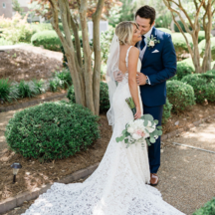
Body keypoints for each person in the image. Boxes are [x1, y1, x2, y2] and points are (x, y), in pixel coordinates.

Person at [22, 22, 183, 215]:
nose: (139, 31)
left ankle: (122, 177)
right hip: (128, 97)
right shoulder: (131, 50)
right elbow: (132, 80)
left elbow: (116, 74)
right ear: (127, 34)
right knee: (128, 139)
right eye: (135, 30)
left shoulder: (121, 48)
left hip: (119, 97)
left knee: (122, 138)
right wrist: (138, 106)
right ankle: (126, 180)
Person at [116, 6, 177, 186]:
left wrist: (148, 79)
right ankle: (133, 169)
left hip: (152, 95)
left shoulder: (164, 39)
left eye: (143, 26)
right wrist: (117, 74)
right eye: (138, 24)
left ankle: (152, 171)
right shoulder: (128, 37)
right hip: (128, 95)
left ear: (153, 23)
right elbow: (120, 64)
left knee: (152, 135)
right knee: (129, 134)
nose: (139, 29)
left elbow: (171, 69)